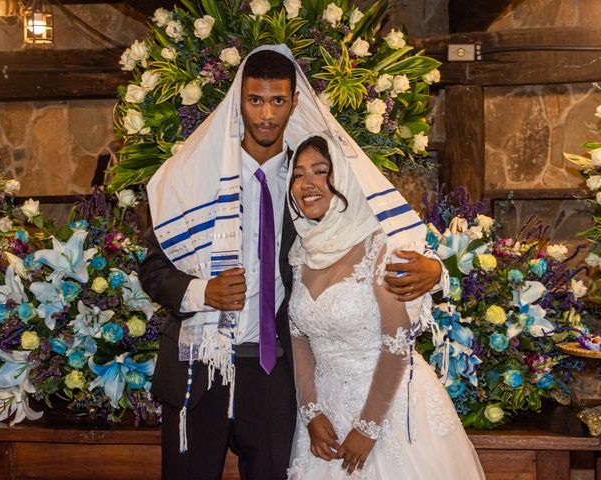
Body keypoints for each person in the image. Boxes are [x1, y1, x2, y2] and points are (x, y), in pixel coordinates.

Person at [139, 45, 444, 480]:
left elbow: (378, 233)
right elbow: (153, 270)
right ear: (237, 102)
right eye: (255, 100)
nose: (266, 114)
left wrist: (435, 272)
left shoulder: (314, 185)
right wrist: (201, 291)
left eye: (278, 101)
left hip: (275, 373)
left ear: (294, 102)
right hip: (201, 366)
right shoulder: (191, 179)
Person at [286, 134, 485, 479]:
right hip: (325, 414)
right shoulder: (302, 250)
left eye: (321, 171)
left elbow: (397, 343)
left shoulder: (383, 244)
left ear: (344, 177)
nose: (308, 184)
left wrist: (368, 428)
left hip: (389, 409)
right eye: (298, 174)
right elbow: (298, 335)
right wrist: (311, 411)